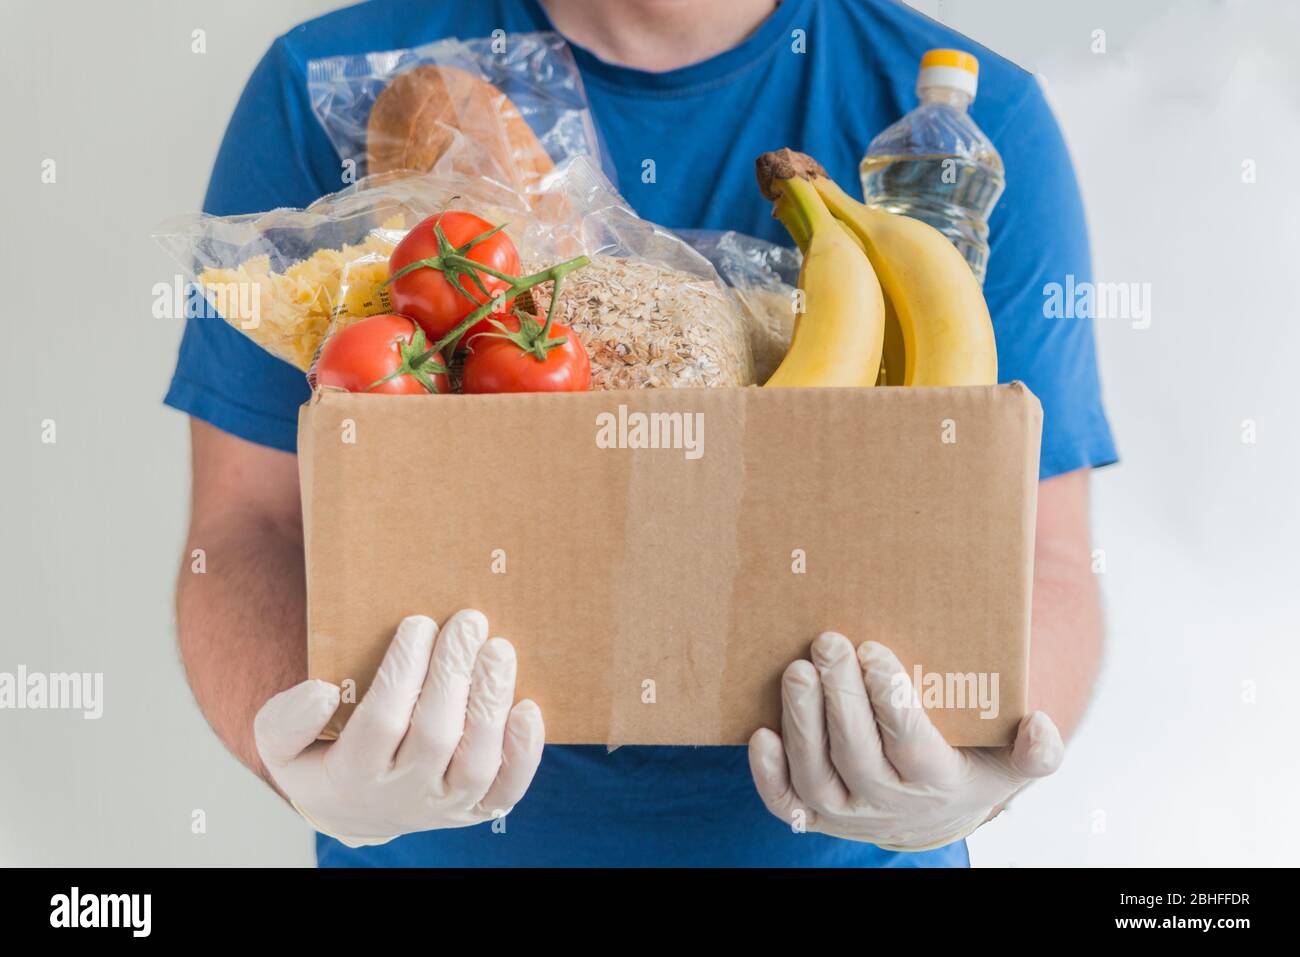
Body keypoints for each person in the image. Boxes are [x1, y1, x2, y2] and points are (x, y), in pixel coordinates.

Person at [168, 0, 1115, 867]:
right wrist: (301, 753)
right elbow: (248, 529)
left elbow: (1049, 556)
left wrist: (970, 785)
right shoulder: (329, 77)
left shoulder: (967, 142)